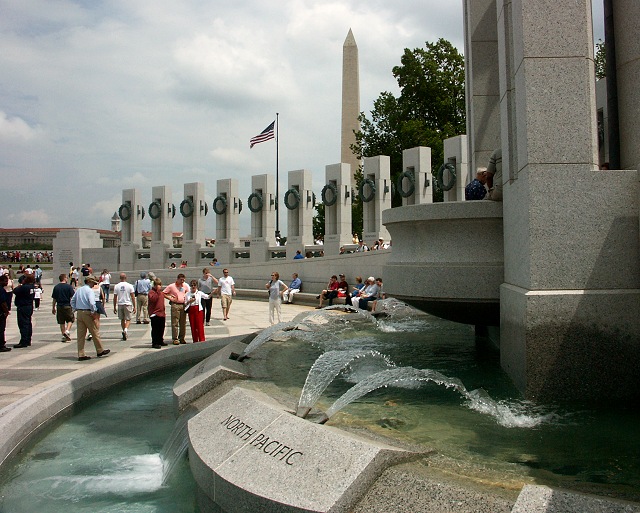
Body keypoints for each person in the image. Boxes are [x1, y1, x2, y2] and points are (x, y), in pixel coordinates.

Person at [70, 275, 110, 361]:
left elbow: (72, 301)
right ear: (89, 282)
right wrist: (93, 311)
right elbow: (92, 303)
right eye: (93, 283)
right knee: (94, 331)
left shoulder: (79, 290)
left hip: (80, 312)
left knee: (80, 335)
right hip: (88, 312)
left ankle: (81, 354)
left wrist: (75, 308)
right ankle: (100, 350)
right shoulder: (89, 291)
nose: (94, 285)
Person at [163, 273, 188, 344]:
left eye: (183, 280)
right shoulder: (172, 286)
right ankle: (175, 338)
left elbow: (188, 292)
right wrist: (170, 298)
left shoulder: (185, 286)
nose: (182, 281)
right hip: (175, 305)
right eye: (181, 280)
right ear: (177, 279)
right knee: (175, 322)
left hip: (183, 305)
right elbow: (164, 293)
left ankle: (182, 338)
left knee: (183, 323)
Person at [13, 272, 36, 348]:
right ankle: (28, 339)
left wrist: (21, 284)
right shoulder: (32, 287)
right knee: (28, 323)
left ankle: (24, 340)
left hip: (23, 306)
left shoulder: (24, 287)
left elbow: (15, 291)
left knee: (23, 324)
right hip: (29, 306)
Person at [51, 273, 75, 342]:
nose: (67, 279)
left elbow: (54, 299)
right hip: (67, 305)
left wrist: (53, 307)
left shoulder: (56, 287)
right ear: (64, 278)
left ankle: (63, 335)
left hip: (59, 306)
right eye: (67, 278)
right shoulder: (69, 287)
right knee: (70, 319)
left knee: (61, 321)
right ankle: (67, 331)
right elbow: (72, 297)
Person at [113, 273, 136, 341]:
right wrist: (134, 306)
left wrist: (114, 307)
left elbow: (115, 297)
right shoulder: (130, 286)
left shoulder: (116, 286)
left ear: (120, 278)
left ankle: (124, 330)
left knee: (122, 319)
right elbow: (132, 296)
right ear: (126, 278)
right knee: (128, 319)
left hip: (120, 304)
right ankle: (125, 330)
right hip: (127, 303)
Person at [148, 278, 167, 348]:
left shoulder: (161, 293)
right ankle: (155, 342)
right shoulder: (151, 292)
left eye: (160, 285)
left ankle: (160, 340)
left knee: (161, 328)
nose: (160, 286)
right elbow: (153, 299)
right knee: (155, 329)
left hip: (161, 313)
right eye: (158, 285)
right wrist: (157, 292)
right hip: (155, 313)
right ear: (155, 285)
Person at [0, 274, 12, 352]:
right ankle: (1, 345)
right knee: (1, 329)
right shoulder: (1, 290)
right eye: (5, 281)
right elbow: (2, 302)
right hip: (0, 313)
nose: (6, 283)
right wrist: (6, 311)